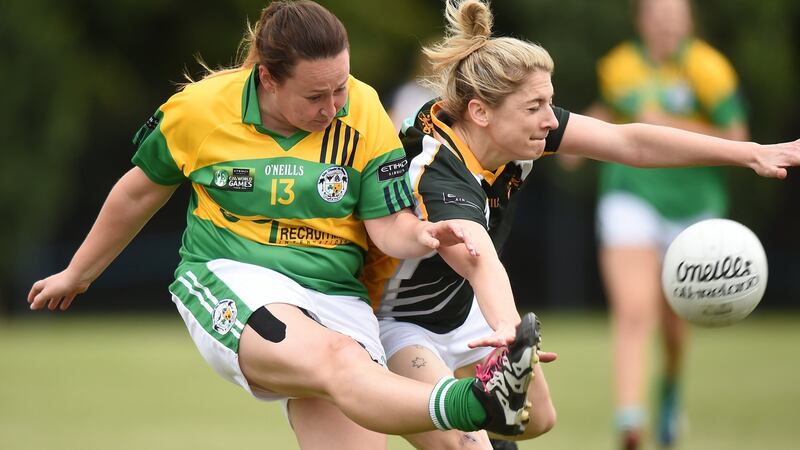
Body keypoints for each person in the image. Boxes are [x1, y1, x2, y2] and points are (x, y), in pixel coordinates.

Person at [26, 2, 543, 449]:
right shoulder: (199, 111)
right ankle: (479, 401)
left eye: (340, 87)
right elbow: (138, 192)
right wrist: (79, 272)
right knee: (338, 358)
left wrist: (423, 236)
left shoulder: (361, 110)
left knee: (362, 381)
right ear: (268, 79)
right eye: (315, 95)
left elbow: (386, 224)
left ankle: (477, 408)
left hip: (336, 293)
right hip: (234, 275)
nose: (333, 106)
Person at [363, 1, 799, 450]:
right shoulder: (434, 168)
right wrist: (513, 338)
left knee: (536, 420)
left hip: (462, 311)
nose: (551, 121)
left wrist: (752, 153)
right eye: (536, 107)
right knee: (464, 443)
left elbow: (630, 141)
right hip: (397, 322)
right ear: (479, 112)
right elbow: (477, 259)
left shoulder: (515, 130)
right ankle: (376, 399)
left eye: (549, 103)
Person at [586, 1, 749, 448]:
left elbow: (737, 136)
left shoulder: (709, 68)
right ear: (641, 22)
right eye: (656, 19)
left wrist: (669, 124)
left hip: (694, 206)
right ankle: (630, 421)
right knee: (634, 310)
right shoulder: (620, 65)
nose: (664, 27)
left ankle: (671, 391)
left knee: (676, 326)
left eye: (673, 20)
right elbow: (614, 113)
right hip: (631, 195)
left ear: (688, 23)